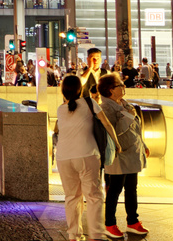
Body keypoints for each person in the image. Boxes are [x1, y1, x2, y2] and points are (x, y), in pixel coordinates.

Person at [95, 73, 148, 238]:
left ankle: (133, 221)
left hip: (132, 153)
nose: (123, 87)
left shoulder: (124, 104)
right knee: (114, 190)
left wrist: (143, 144)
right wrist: (127, 117)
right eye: (120, 85)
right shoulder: (106, 108)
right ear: (111, 90)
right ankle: (110, 223)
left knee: (132, 188)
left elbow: (135, 129)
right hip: (118, 155)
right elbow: (109, 132)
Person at [53, 73, 103, 241]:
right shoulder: (90, 103)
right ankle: (96, 235)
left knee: (72, 197)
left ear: (63, 91)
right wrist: (117, 144)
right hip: (87, 154)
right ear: (80, 89)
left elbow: (57, 130)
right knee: (94, 196)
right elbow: (106, 124)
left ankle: (73, 235)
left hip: (63, 157)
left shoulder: (61, 109)